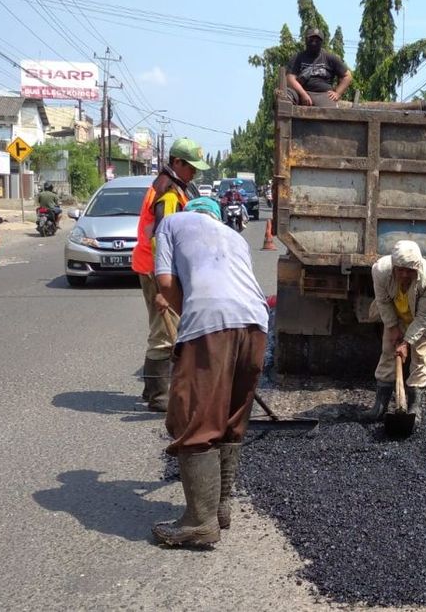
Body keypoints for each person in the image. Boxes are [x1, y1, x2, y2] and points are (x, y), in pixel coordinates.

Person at [150, 196, 269, 548]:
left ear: (190, 213)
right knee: (232, 417)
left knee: (195, 419)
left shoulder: (171, 224)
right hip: (256, 322)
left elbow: (166, 282)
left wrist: (179, 310)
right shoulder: (235, 236)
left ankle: (199, 522)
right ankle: (220, 509)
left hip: (208, 321)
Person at [131, 138, 207, 412]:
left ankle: (152, 387)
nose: (195, 173)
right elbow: (164, 239)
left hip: (152, 266)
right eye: (191, 167)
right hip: (156, 269)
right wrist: (167, 285)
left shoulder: (172, 186)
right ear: (177, 163)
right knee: (165, 332)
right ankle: (159, 397)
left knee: (163, 327)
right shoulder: (168, 194)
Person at [362, 240, 426, 424]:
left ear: (418, 267)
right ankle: (380, 406)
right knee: (388, 351)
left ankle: (414, 408)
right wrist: (392, 328)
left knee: (420, 353)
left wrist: (406, 342)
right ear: (393, 267)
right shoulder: (380, 271)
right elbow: (383, 301)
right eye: (400, 270)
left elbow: (423, 318)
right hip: (397, 312)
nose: (405, 275)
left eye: (410, 271)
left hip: (424, 317)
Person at [285, 27, 352, 107]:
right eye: (311, 40)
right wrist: (303, 94)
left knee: (329, 112)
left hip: (322, 94)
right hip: (300, 92)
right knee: (285, 96)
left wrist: (337, 93)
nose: (314, 43)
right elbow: (290, 78)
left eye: (317, 41)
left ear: (321, 42)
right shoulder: (297, 57)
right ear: (306, 40)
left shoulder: (329, 58)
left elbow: (347, 76)